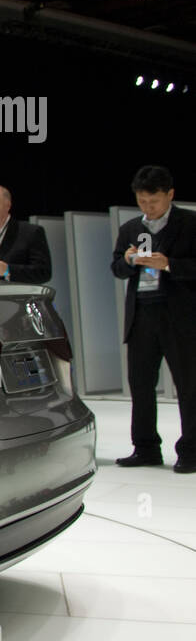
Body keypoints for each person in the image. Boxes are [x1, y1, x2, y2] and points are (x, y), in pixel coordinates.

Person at [111, 165, 196, 473]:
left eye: (154, 201)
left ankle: (191, 449)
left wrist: (169, 264)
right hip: (142, 313)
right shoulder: (131, 228)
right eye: (142, 201)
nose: (148, 207)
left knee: (188, 384)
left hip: (179, 316)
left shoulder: (189, 223)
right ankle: (145, 448)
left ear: (170, 195)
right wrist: (129, 260)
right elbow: (116, 268)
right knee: (141, 384)